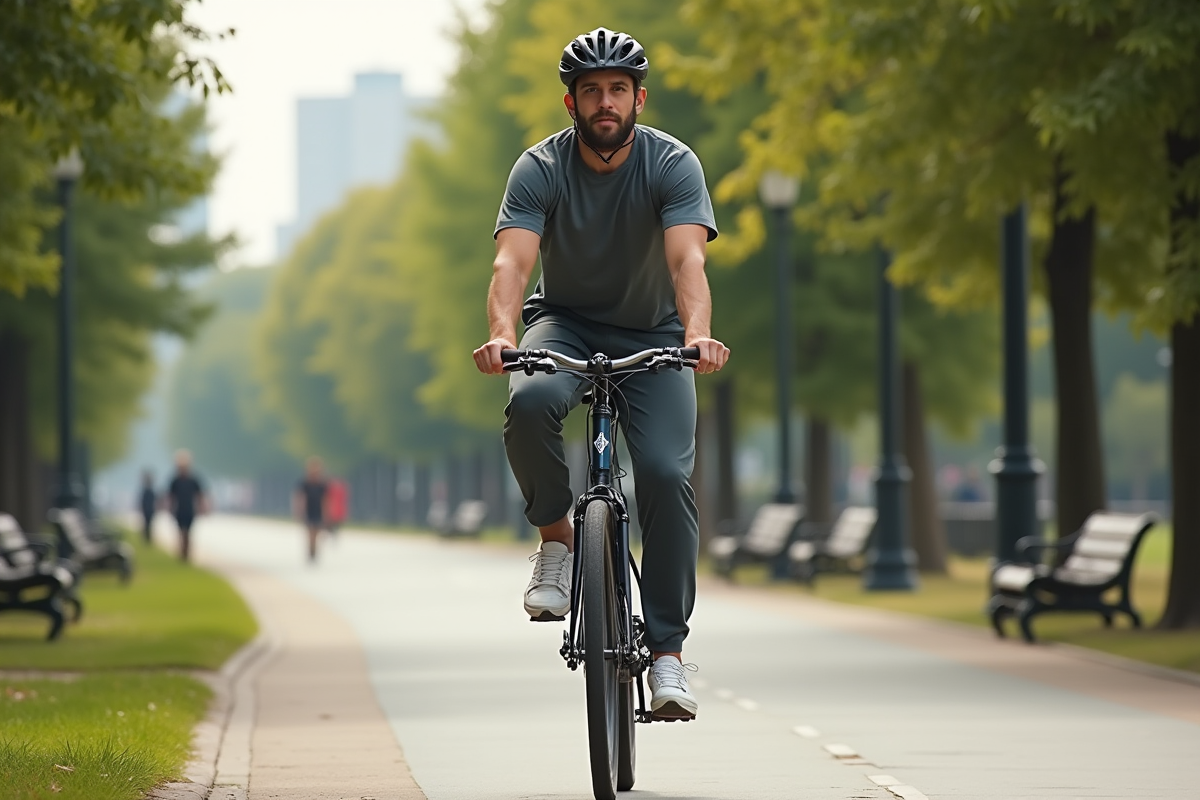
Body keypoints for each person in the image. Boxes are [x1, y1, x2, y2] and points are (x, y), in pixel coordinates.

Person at [472, 27, 729, 722]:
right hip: (565, 323)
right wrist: (502, 336)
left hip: (655, 335)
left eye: (618, 89)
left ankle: (669, 653)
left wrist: (697, 333)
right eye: (592, 91)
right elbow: (511, 265)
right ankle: (557, 539)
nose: (606, 102)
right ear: (571, 102)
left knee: (668, 476)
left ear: (639, 98)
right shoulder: (540, 167)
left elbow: (687, 263)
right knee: (528, 404)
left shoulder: (672, 164)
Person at [166, 450, 208, 562]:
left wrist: (203, 507)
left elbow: (200, 495)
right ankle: (182, 552)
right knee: (181, 532)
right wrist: (169, 508)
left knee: (188, 533)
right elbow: (171, 496)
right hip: (179, 510)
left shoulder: (193, 480)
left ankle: (186, 553)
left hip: (190, 510)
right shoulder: (175, 481)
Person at [293, 457, 328, 562]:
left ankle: (314, 548)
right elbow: (299, 497)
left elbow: (325, 500)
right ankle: (311, 550)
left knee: (316, 533)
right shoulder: (304, 483)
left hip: (319, 510)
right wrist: (298, 511)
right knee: (310, 532)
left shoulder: (322, 484)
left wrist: (326, 513)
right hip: (308, 510)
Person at [138, 470, 157, 544]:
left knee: (148, 524)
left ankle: (148, 538)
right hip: (148, 510)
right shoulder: (147, 491)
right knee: (146, 524)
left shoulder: (149, 491)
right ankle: (146, 538)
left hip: (150, 510)